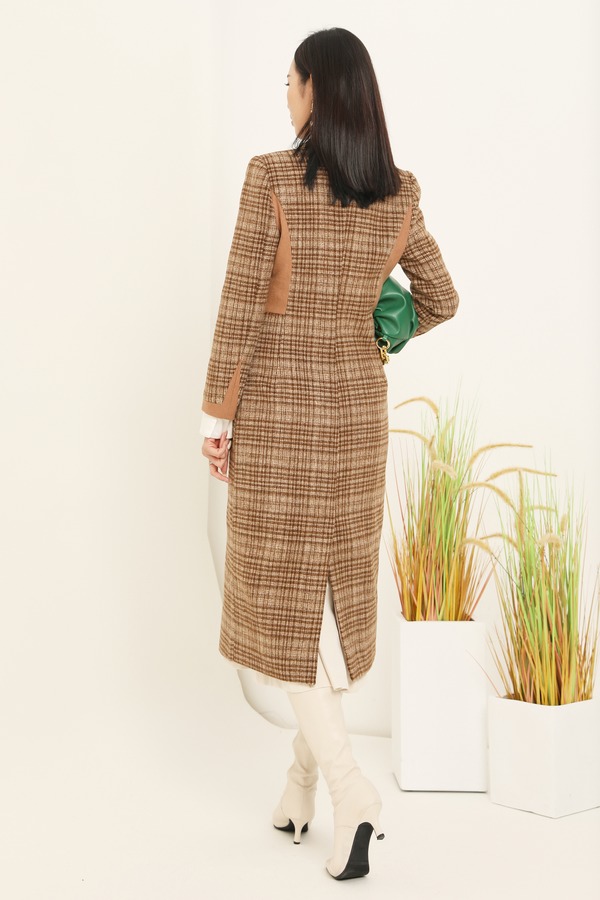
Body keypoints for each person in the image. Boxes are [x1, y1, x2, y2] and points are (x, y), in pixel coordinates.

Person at [201, 27, 458, 881]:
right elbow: (441, 298)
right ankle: (300, 788)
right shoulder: (399, 192)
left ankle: (352, 790)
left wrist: (216, 416)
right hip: (354, 419)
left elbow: (240, 303)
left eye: (290, 81)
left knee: (286, 613)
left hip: (279, 417)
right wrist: (384, 333)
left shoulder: (271, 177)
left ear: (316, 91)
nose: (285, 95)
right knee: (327, 610)